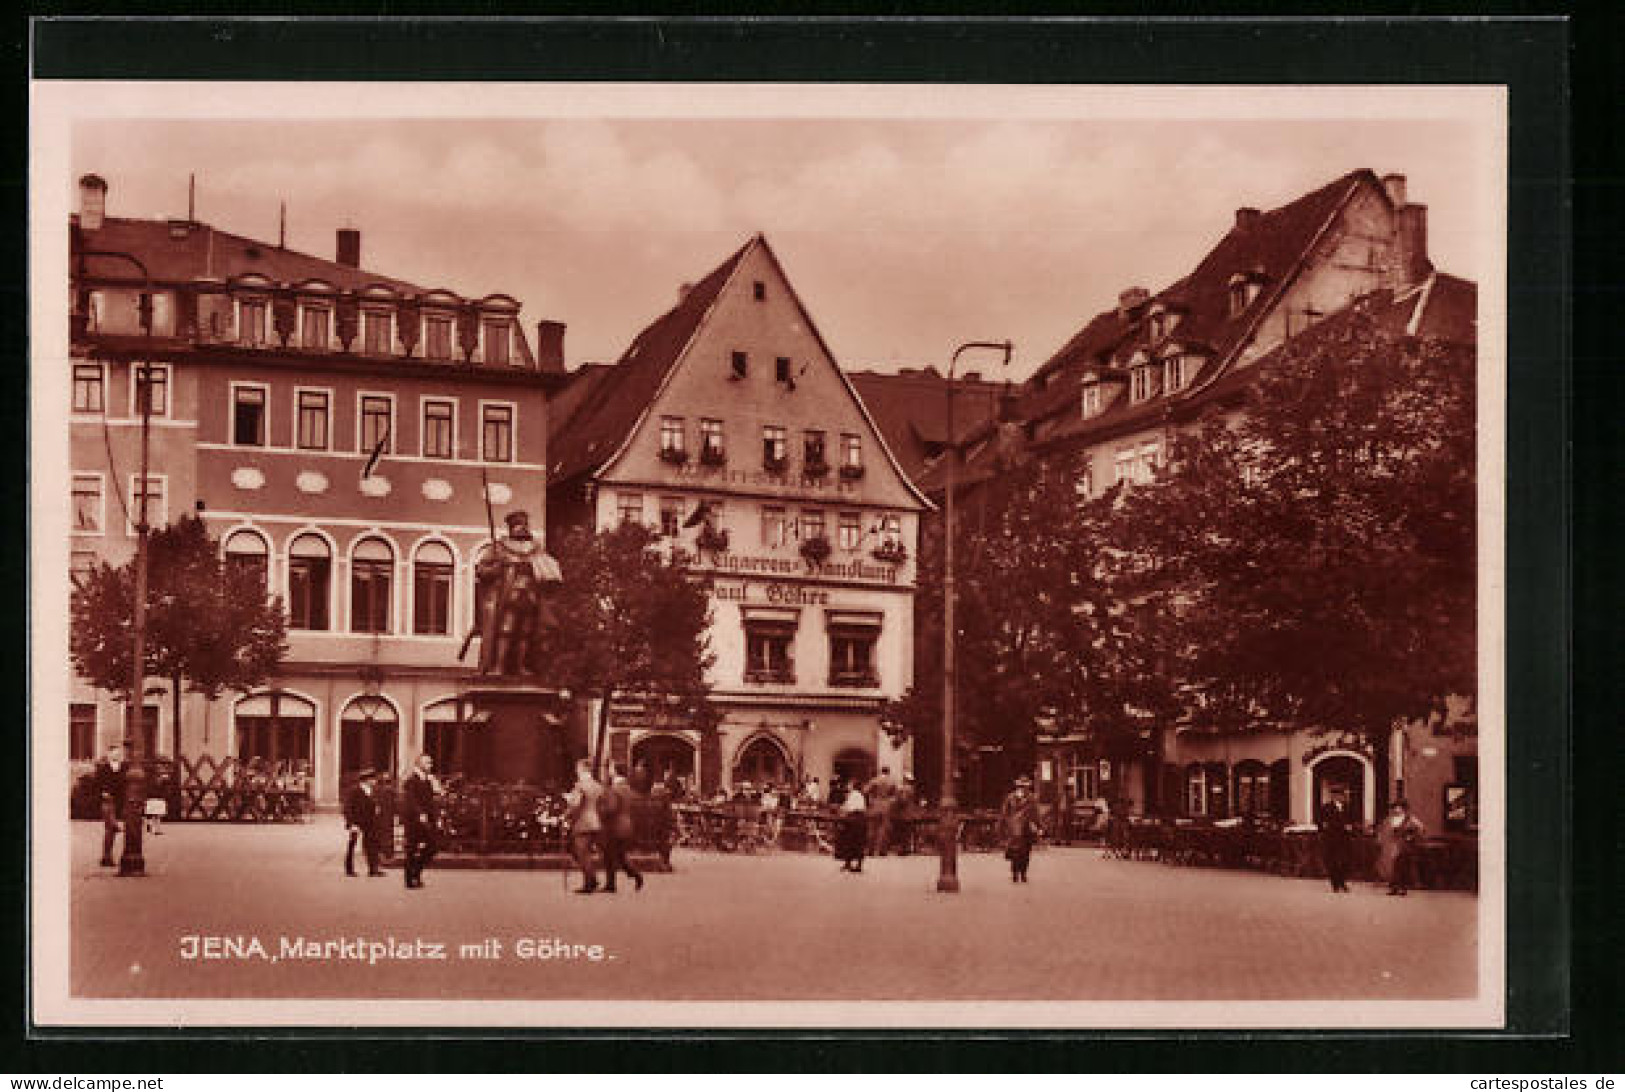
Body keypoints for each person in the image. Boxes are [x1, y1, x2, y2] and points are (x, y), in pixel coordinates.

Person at [471, 509, 564, 678]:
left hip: (530, 595)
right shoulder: (499, 548)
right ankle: (498, 666)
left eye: (525, 524)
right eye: (518, 525)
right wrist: (495, 568)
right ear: (511, 527)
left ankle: (522, 666)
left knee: (526, 632)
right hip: (507, 596)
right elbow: (481, 570)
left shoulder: (536, 549)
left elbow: (548, 571)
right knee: (506, 630)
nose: (523, 528)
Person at [598, 765, 644, 894]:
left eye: (612, 769)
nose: (610, 771)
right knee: (619, 855)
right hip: (626, 825)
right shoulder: (628, 789)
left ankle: (611, 884)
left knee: (609, 855)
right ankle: (635, 875)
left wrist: (601, 810)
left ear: (616, 772)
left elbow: (611, 808)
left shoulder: (615, 789)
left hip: (614, 826)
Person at [564, 760, 605, 894]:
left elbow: (576, 804)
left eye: (578, 768)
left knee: (582, 853)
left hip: (583, 823)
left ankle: (589, 882)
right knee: (586, 852)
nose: (576, 771)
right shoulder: (597, 786)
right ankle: (592, 879)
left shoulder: (580, 786)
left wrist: (567, 810)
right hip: (596, 822)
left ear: (582, 769)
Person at [401, 754, 439, 890]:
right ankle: (409, 880)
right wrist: (420, 813)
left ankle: (416, 872)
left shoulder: (428, 780)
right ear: (419, 765)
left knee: (432, 847)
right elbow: (411, 800)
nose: (430, 765)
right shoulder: (412, 780)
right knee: (411, 849)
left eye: (430, 763)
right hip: (413, 820)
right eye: (427, 763)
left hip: (426, 819)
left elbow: (431, 800)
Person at [1377, 798, 1426, 896]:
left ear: (1403, 808)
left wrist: (1411, 837)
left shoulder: (1410, 818)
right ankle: (1394, 887)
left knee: (1402, 866)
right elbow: (1383, 830)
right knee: (1392, 866)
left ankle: (1402, 887)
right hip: (1392, 844)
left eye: (1399, 807)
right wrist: (1381, 839)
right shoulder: (1390, 819)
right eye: (1395, 807)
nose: (1396, 810)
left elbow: (1421, 828)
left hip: (1404, 845)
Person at [998, 776, 1041, 883]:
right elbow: (1004, 813)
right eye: (1021, 786)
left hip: (1027, 829)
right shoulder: (1010, 798)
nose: (1023, 788)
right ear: (1017, 787)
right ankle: (1015, 873)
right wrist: (1004, 825)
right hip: (1014, 829)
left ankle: (1023, 873)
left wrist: (1039, 826)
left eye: (1025, 786)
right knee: (1015, 852)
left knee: (1026, 853)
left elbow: (1036, 814)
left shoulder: (1031, 798)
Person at [344, 768, 385, 877]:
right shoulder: (354, 791)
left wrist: (376, 810)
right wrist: (351, 823)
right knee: (352, 844)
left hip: (370, 822)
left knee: (371, 845)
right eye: (373, 779)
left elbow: (374, 804)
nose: (375, 781)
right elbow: (348, 808)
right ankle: (349, 868)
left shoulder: (373, 791)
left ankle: (373, 869)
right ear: (366, 780)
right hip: (356, 822)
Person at [93, 746, 129, 867]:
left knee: (112, 830)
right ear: (108, 755)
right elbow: (97, 784)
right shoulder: (103, 768)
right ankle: (106, 856)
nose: (116, 756)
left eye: (118, 754)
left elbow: (126, 784)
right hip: (108, 801)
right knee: (110, 828)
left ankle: (109, 856)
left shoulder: (124, 768)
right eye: (113, 754)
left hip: (121, 802)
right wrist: (103, 792)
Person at [1317, 792, 1354, 893]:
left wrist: (1351, 827)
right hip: (1331, 838)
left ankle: (1342, 881)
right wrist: (1324, 828)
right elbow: (1320, 821)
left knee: (1345, 861)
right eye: (1336, 795)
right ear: (1333, 796)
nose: (1339, 797)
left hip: (1344, 839)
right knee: (1332, 862)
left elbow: (1353, 820)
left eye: (1341, 795)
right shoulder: (1326, 807)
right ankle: (1336, 884)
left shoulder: (1347, 807)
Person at [835, 780, 868, 873]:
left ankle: (848, 863)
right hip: (860, 820)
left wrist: (841, 811)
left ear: (853, 786)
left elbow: (848, 808)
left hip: (853, 820)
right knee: (858, 843)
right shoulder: (860, 795)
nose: (848, 786)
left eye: (849, 784)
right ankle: (857, 865)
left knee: (849, 842)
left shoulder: (853, 795)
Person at [865, 766, 895, 855]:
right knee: (884, 829)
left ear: (881, 772)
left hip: (875, 804)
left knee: (872, 828)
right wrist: (890, 801)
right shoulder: (891, 781)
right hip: (886, 805)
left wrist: (870, 800)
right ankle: (882, 851)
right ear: (888, 772)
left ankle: (870, 850)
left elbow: (865, 791)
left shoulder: (875, 780)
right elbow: (895, 794)